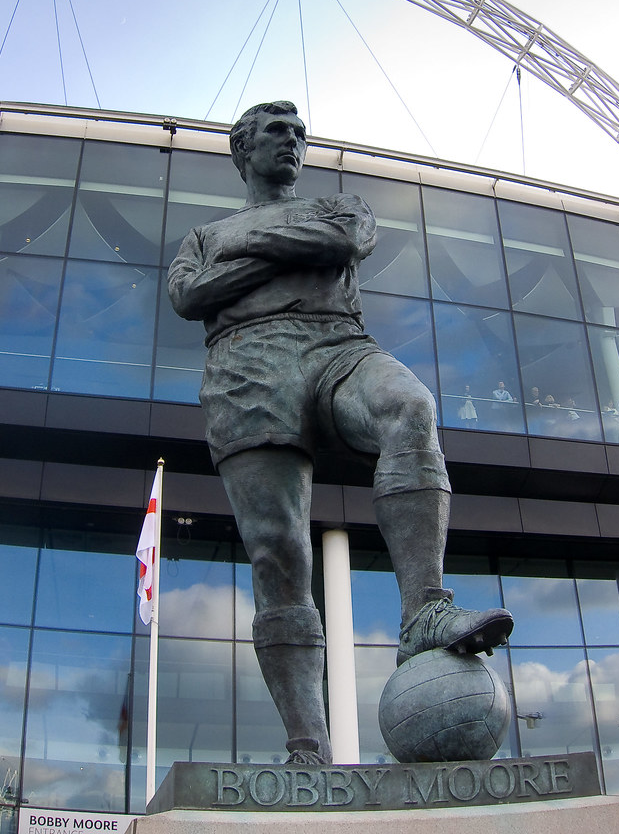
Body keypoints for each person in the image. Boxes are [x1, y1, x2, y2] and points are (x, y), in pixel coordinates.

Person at [168, 100, 513, 764]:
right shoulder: (203, 234)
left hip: (337, 344)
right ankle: (308, 747)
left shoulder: (340, 205)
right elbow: (189, 297)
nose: (293, 142)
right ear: (242, 149)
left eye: (300, 134)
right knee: (279, 554)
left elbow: (344, 241)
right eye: (277, 132)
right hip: (246, 367)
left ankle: (424, 613)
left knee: (409, 408)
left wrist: (245, 249)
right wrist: (283, 250)